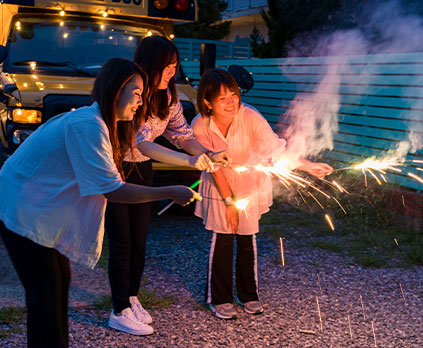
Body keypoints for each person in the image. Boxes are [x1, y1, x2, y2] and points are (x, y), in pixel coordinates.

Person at [0, 58, 199, 347]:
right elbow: (112, 189)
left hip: (37, 209)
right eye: (137, 93)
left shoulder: (100, 123)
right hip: (22, 209)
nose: (140, 102)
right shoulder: (88, 126)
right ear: (117, 90)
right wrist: (169, 191)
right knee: (45, 293)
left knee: (57, 285)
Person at [105, 35, 227, 334]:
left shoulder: (169, 98)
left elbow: (181, 135)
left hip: (143, 171)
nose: (172, 71)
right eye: (167, 66)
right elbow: (142, 143)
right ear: (150, 64)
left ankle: (132, 297)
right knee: (121, 242)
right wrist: (188, 163)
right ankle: (118, 309)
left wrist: (208, 153)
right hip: (117, 170)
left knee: (139, 241)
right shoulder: (132, 91)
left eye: (175, 65)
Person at [191, 69, 333, 320]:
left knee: (247, 239)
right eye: (223, 98)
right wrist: (228, 202)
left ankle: (248, 295)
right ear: (207, 101)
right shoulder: (200, 125)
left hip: (249, 183)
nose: (231, 102)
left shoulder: (251, 117)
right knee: (223, 238)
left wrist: (307, 166)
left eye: (234, 95)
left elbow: (275, 150)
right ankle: (219, 298)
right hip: (218, 184)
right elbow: (214, 169)